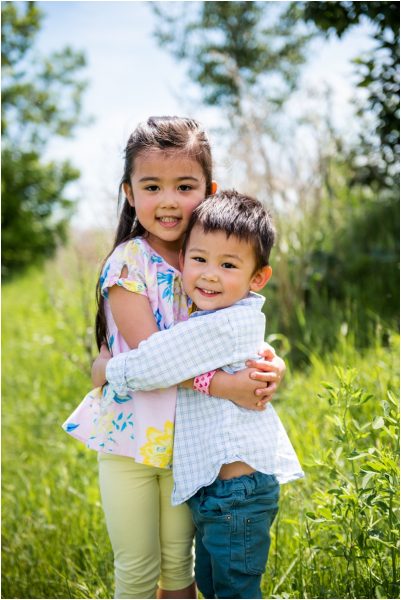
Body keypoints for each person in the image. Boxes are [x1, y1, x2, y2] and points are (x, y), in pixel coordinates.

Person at [62, 116, 286, 600]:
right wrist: (225, 385)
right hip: (132, 442)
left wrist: (270, 362)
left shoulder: (209, 257)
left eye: (184, 186)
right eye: (151, 186)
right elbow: (153, 360)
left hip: (190, 444)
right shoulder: (129, 263)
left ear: (209, 189)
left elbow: (236, 328)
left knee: (179, 570)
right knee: (139, 571)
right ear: (129, 193)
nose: (168, 201)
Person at [103, 190, 304, 599]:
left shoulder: (216, 325)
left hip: (235, 495)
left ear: (257, 278)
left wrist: (106, 369)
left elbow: (152, 364)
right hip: (220, 492)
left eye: (227, 265)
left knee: (233, 593)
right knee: (215, 588)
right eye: (199, 260)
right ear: (182, 261)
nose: (210, 274)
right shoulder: (215, 316)